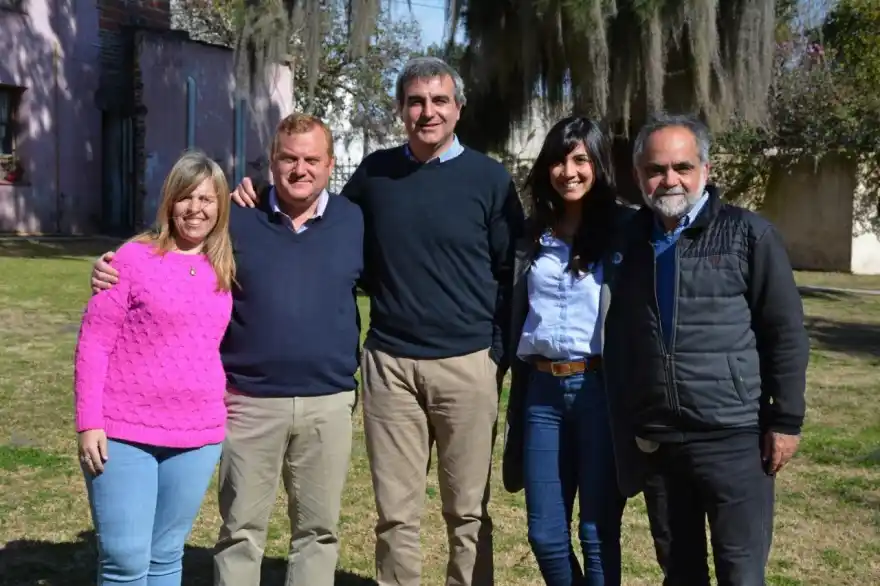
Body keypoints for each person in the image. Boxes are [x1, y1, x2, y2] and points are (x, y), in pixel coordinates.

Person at [230, 56, 523, 586]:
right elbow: (315, 213)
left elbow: (512, 272)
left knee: (468, 512)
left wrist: (496, 353)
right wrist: (254, 193)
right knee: (396, 515)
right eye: (415, 101)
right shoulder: (376, 174)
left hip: (468, 362)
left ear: (458, 108)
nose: (427, 112)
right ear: (400, 110)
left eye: (438, 101)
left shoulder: (490, 179)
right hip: (390, 366)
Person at [88, 114, 364, 586]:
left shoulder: (352, 219)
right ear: (272, 162)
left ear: (330, 164)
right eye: (288, 158)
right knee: (240, 531)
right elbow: (175, 249)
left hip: (328, 401)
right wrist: (113, 266)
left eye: (312, 159)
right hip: (249, 401)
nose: (300, 169)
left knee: (318, 532)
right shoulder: (238, 217)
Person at [603, 113, 810, 586]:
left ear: (705, 171)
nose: (669, 179)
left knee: (741, 572)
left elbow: (785, 331)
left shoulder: (748, 235)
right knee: (679, 571)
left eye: (682, 167)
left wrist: (786, 420)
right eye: (656, 170)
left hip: (734, 437)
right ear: (638, 177)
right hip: (660, 441)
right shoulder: (627, 243)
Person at [74, 150, 235, 586]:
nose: (196, 209)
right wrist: (89, 422)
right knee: (125, 560)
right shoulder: (129, 259)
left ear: (220, 206)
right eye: (186, 197)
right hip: (123, 431)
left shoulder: (226, 267)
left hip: (197, 434)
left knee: (166, 556)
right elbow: (94, 343)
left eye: (206, 199)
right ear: (170, 201)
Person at [499, 116, 644, 586]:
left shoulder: (626, 228)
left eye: (581, 159)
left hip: (599, 390)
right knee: (544, 534)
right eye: (560, 160)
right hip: (541, 392)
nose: (569, 171)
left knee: (597, 531)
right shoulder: (531, 233)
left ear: (599, 164)